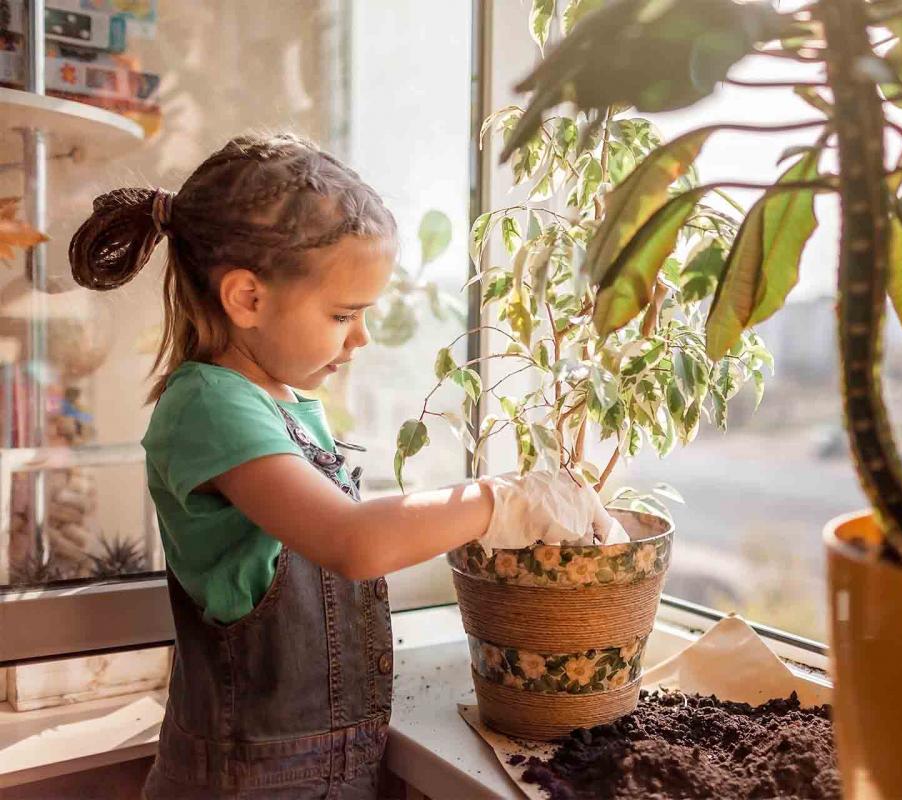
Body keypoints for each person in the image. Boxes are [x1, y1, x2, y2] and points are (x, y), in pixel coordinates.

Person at [69, 133, 615, 799]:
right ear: (247, 298)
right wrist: (501, 501)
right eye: (342, 315)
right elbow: (352, 542)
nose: (359, 338)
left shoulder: (285, 403)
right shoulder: (209, 407)